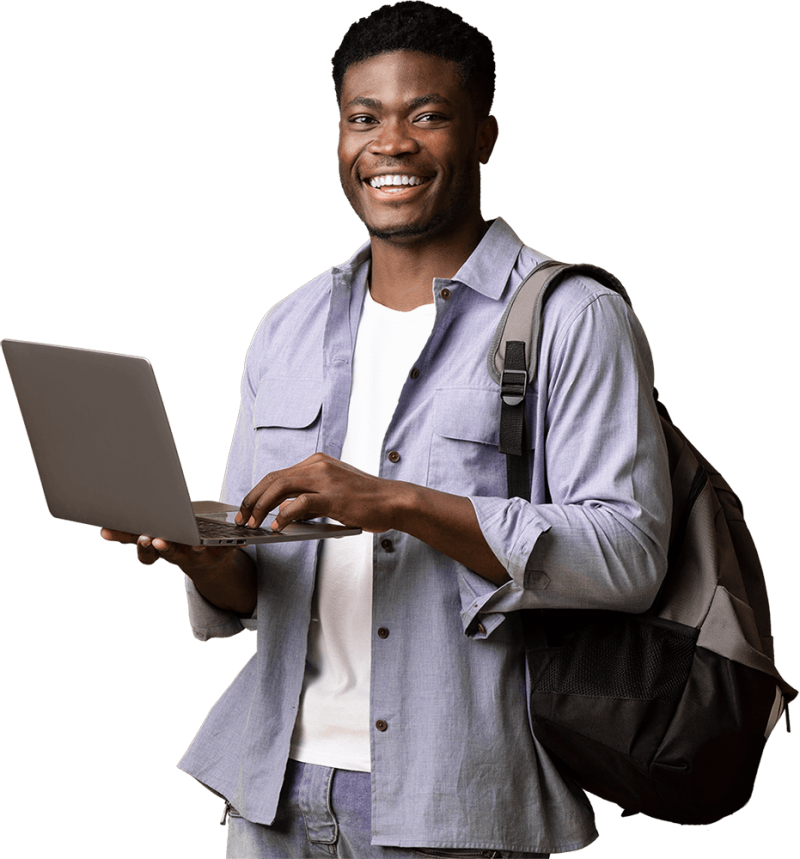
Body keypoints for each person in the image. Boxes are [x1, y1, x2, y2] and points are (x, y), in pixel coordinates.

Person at [101, 2, 672, 856]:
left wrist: (399, 502)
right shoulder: (285, 327)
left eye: (427, 115)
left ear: (484, 136)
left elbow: (630, 554)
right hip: (272, 793)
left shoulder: (575, 318)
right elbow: (257, 596)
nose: (390, 144)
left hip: (462, 798)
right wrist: (206, 557)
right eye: (363, 118)